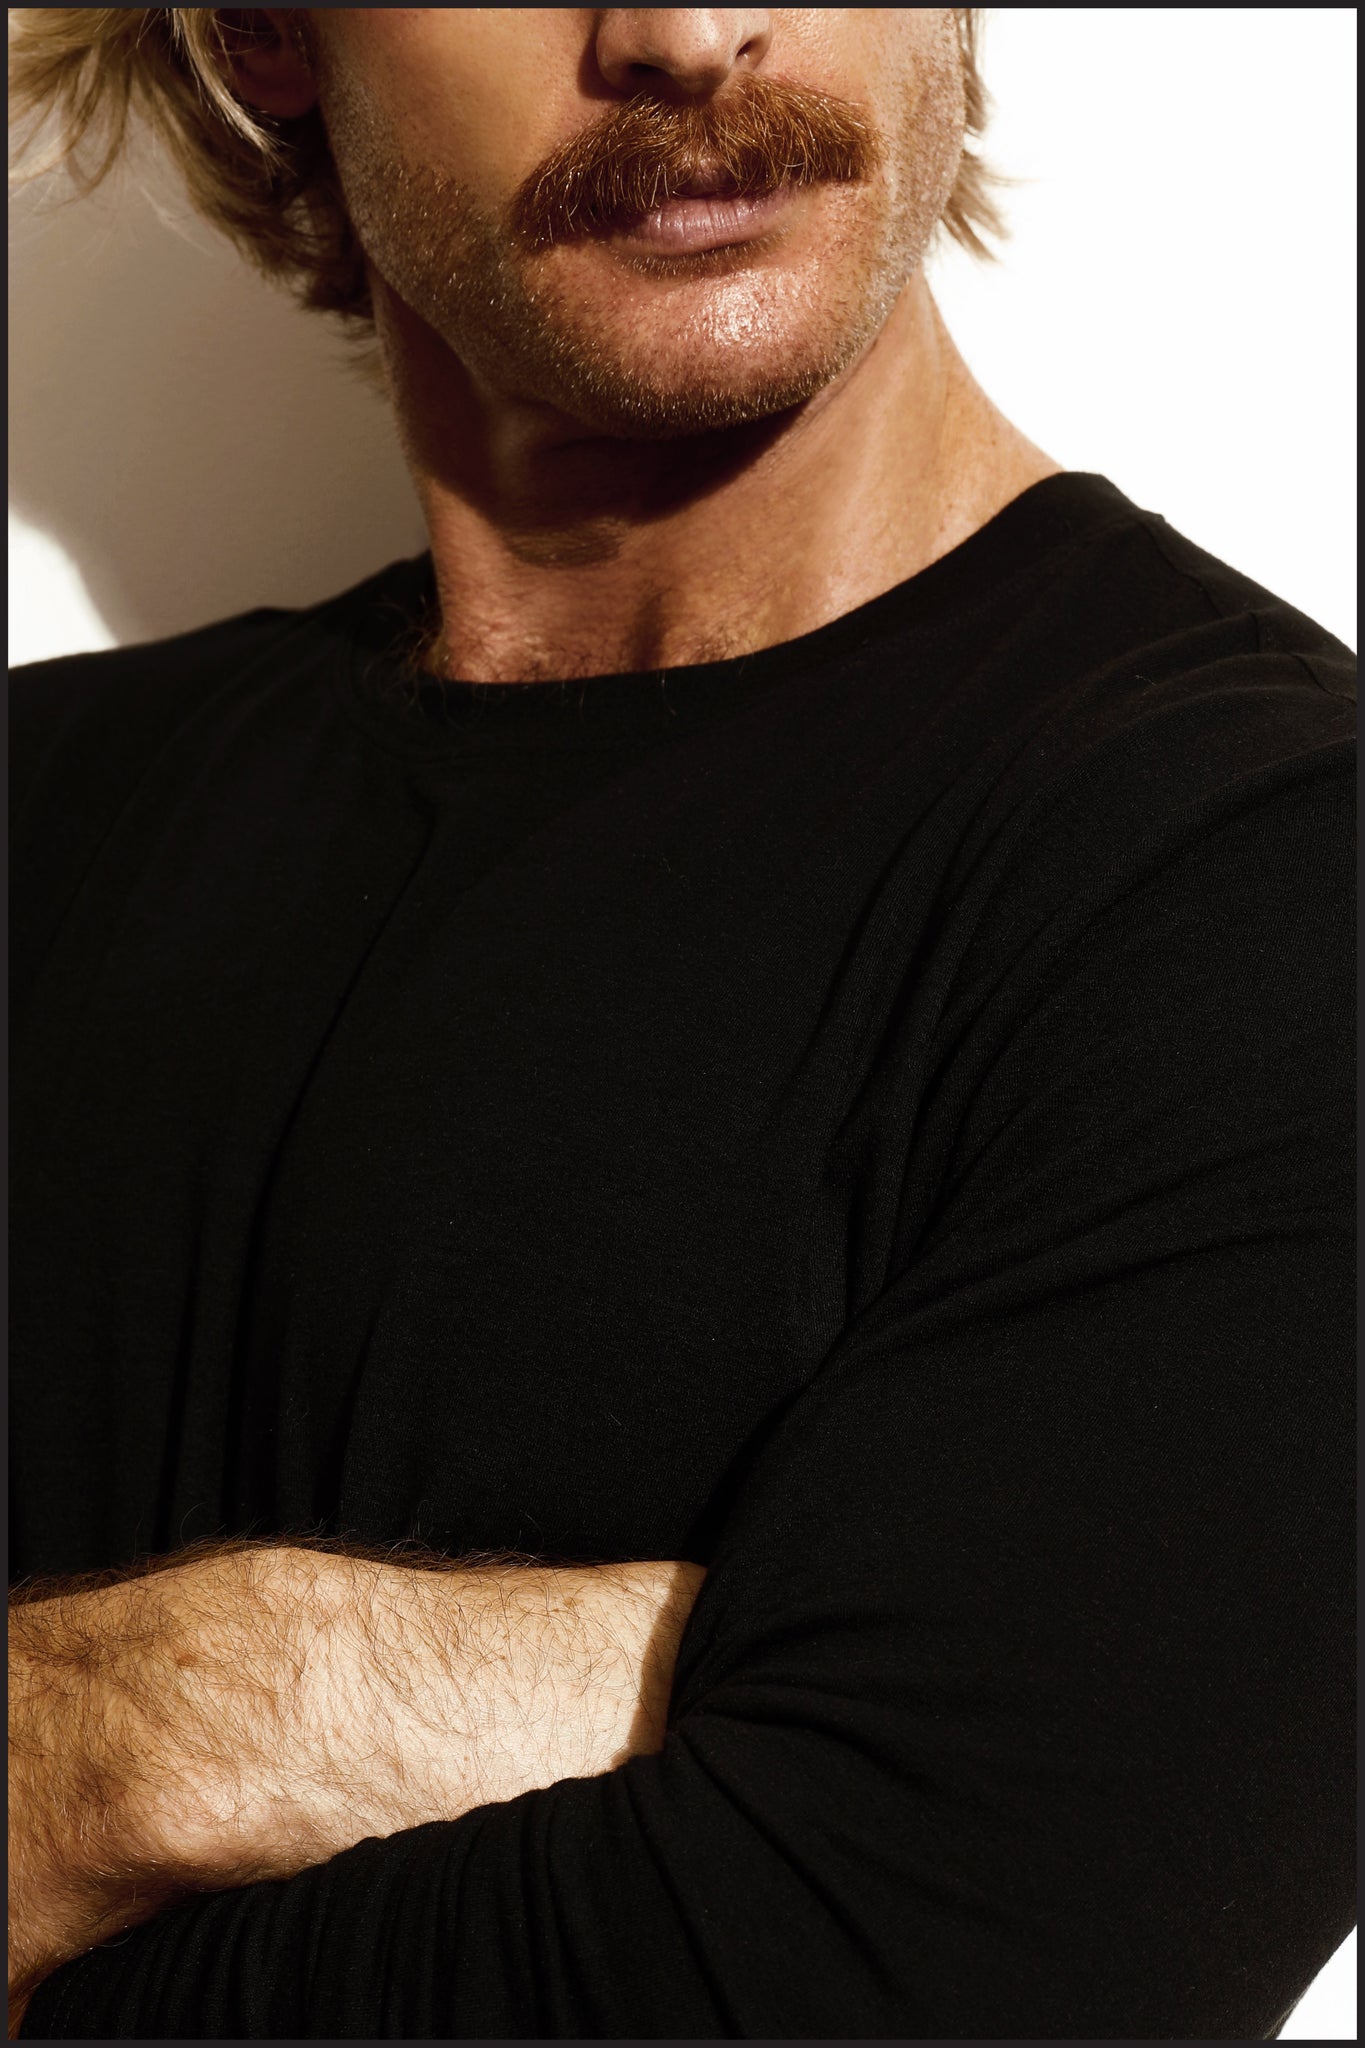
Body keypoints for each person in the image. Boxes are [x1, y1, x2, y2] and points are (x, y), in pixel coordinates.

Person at [7, 8, 1355, 2040]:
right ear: (263, 33)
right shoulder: (36, 811)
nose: (682, 30)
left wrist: (155, 1722)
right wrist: (714, 1695)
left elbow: (936, 1975)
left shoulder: (1270, 862)